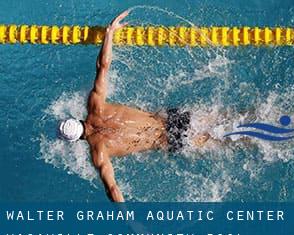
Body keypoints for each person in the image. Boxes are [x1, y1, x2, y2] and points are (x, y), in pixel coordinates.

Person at [58, 11, 210, 202]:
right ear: (76, 119)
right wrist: (109, 33)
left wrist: (131, 223)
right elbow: (103, 66)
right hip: (172, 118)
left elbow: (112, 189)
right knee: (226, 118)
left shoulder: (99, 152)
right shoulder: (95, 105)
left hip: (171, 140)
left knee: (228, 141)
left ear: (76, 140)